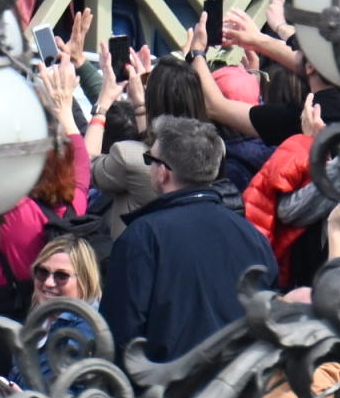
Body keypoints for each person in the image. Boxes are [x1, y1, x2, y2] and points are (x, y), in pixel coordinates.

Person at [101, 116, 278, 365]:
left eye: (150, 160)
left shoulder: (143, 238)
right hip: (239, 389)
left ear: (162, 172)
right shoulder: (252, 237)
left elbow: (120, 333)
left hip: (165, 395)